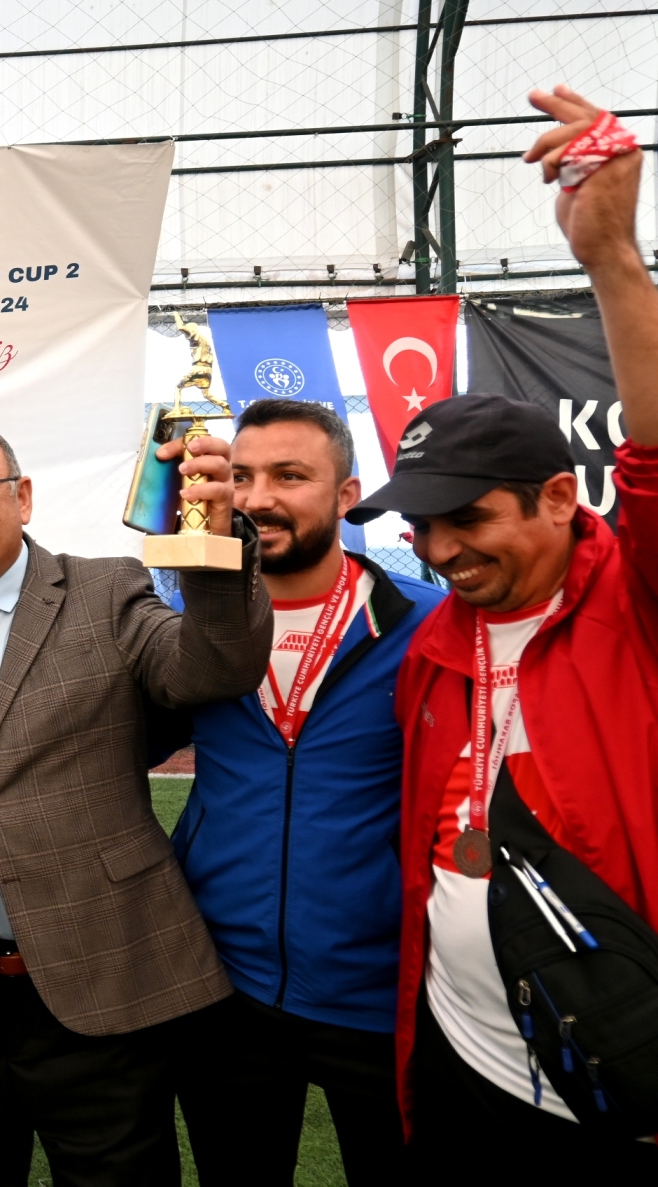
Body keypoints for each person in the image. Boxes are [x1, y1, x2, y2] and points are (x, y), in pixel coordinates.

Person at [352, 86, 658, 1176]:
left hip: (618, 1071)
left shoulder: (631, 603)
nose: (438, 550)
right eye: (422, 525)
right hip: (455, 1058)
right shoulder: (430, 647)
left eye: (468, 518)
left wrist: (611, 259)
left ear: (557, 499)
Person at [0, 416, 270, 1185]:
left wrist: (215, 539)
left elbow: (207, 672)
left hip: (102, 972)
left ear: (24, 497)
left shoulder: (106, 589)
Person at [172, 398, 443, 1185]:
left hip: (382, 993)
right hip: (225, 988)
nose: (257, 498)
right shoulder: (187, 624)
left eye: (290, 476)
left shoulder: (426, 626)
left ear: (346, 492)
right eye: (243, 476)